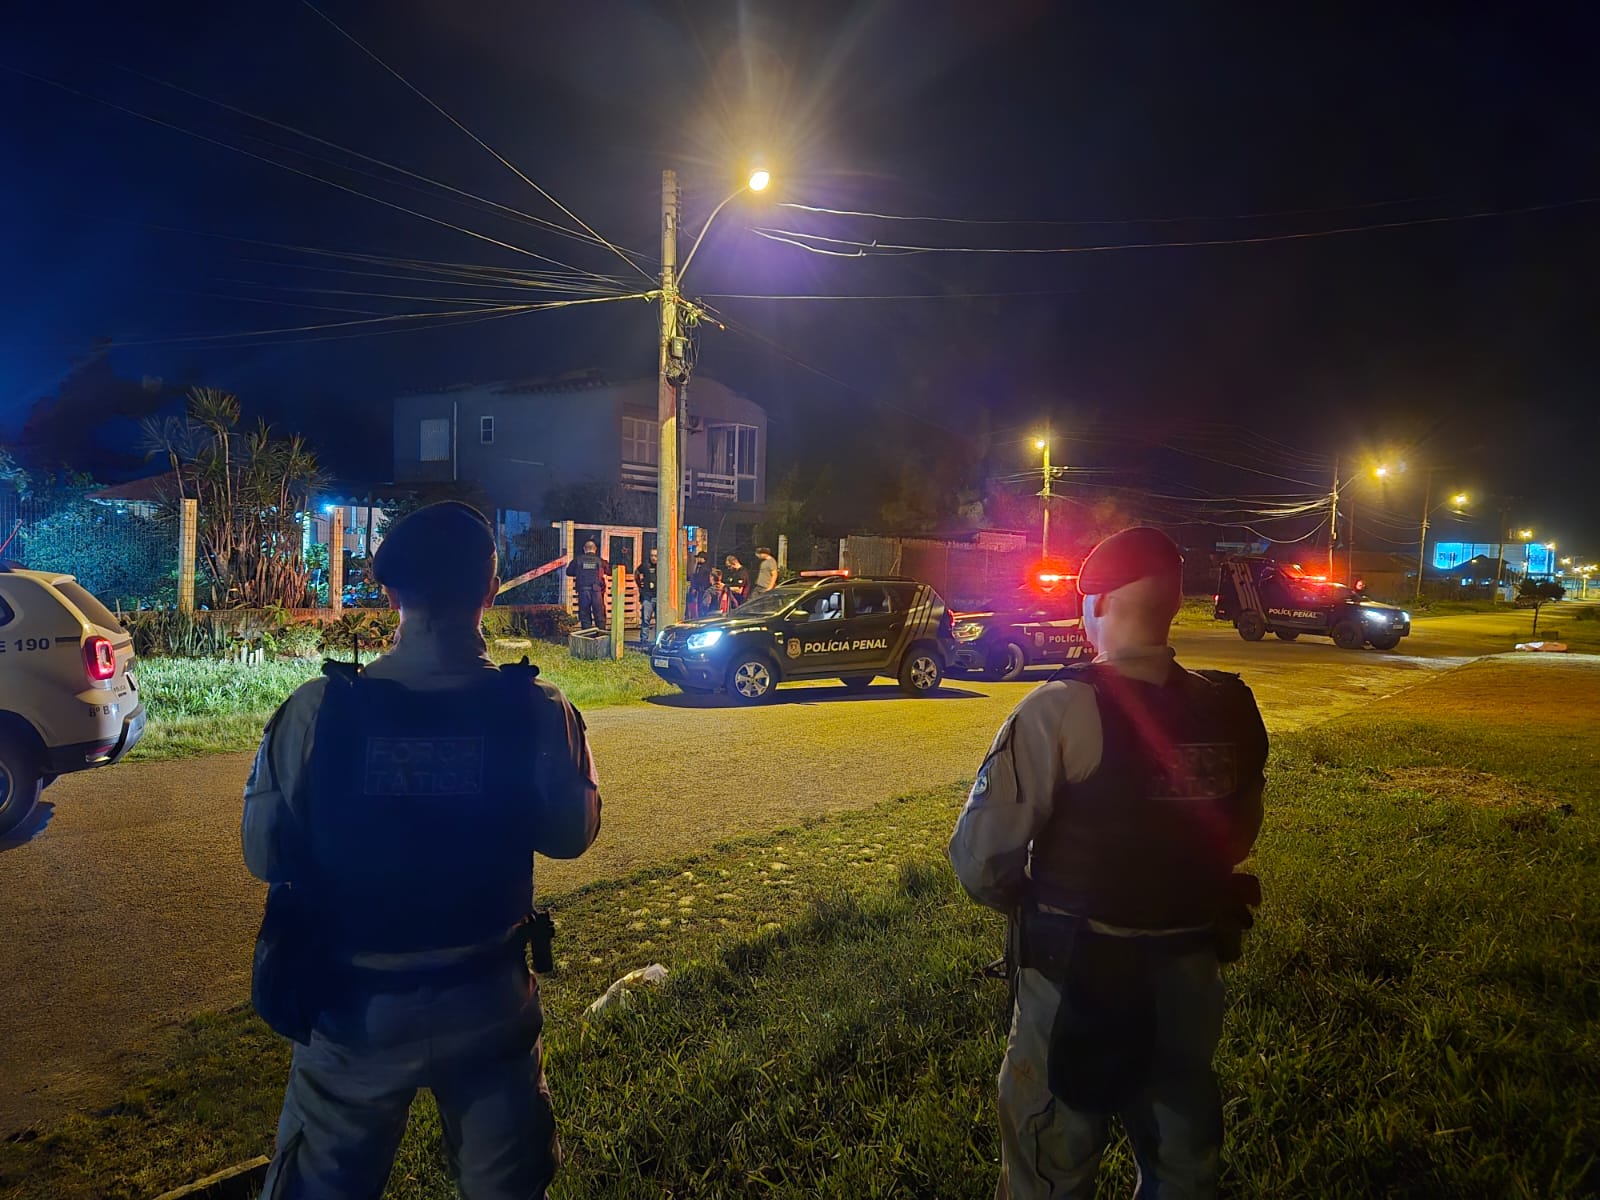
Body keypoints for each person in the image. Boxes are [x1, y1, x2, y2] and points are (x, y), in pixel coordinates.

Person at [244, 501, 602, 1199]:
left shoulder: (317, 710)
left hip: (351, 1012)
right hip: (490, 1004)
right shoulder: (536, 709)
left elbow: (265, 854)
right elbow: (571, 836)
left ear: (390, 592)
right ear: (490, 590)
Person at [948, 526, 1267, 1200]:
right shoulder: (1229, 707)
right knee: (1182, 1164)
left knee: (1048, 1161)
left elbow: (980, 860)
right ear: (1173, 606)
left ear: (1095, 605)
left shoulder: (1059, 708)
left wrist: (1022, 898)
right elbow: (1235, 837)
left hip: (1076, 982)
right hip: (1188, 975)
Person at [566, 538, 609, 630]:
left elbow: (569, 572)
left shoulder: (578, 560)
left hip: (583, 591)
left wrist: (579, 572)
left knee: (585, 615)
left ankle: (587, 637)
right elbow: (609, 571)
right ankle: (601, 637)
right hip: (597, 591)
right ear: (595, 549)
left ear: (584, 549)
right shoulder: (600, 561)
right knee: (599, 615)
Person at [636, 546, 659, 640]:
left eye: (656, 556)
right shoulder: (645, 565)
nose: (653, 558)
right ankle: (644, 641)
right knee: (645, 620)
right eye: (652, 555)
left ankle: (658, 641)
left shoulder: (662, 565)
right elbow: (636, 572)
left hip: (659, 597)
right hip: (647, 596)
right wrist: (640, 585)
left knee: (660, 621)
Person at [687, 553, 712, 620]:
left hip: (702, 590)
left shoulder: (704, 568)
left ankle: (702, 617)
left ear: (702, 558)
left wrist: (695, 587)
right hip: (701, 589)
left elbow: (699, 579)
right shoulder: (701, 567)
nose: (697, 559)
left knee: (701, 606)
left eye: (698, 558)